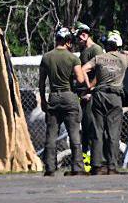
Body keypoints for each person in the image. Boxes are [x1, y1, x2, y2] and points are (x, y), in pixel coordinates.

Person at [83, 30, 128, 175]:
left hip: (99, 95)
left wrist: (89, 86)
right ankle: (112, 166)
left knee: (97, 130)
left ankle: (96, 165)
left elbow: (84, 69)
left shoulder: (99, 58)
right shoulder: (124, 58)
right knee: (113, 132)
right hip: (115, 97)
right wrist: (127, 53)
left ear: (107, 45)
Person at [39, 27, 89, 176]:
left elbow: (41, 82)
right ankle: (77, 167)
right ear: (67, 41)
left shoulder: (46, 57)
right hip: (69, 97)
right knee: (74, 133)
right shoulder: (73, 58)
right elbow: (80, 79)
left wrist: (42, 99)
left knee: (51, 135)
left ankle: (49, 168)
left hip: (53, 97)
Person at [73, 21, 103, 154]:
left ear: (84, 35)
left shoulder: (96, 50)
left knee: (92, 127)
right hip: (82, 95)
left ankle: (95, 158)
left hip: (91, 95)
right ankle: (85, 159)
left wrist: (90, 89)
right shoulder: (83, 50)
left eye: (79, 37)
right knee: (84, 128)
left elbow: (100, 72)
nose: (77, 40)